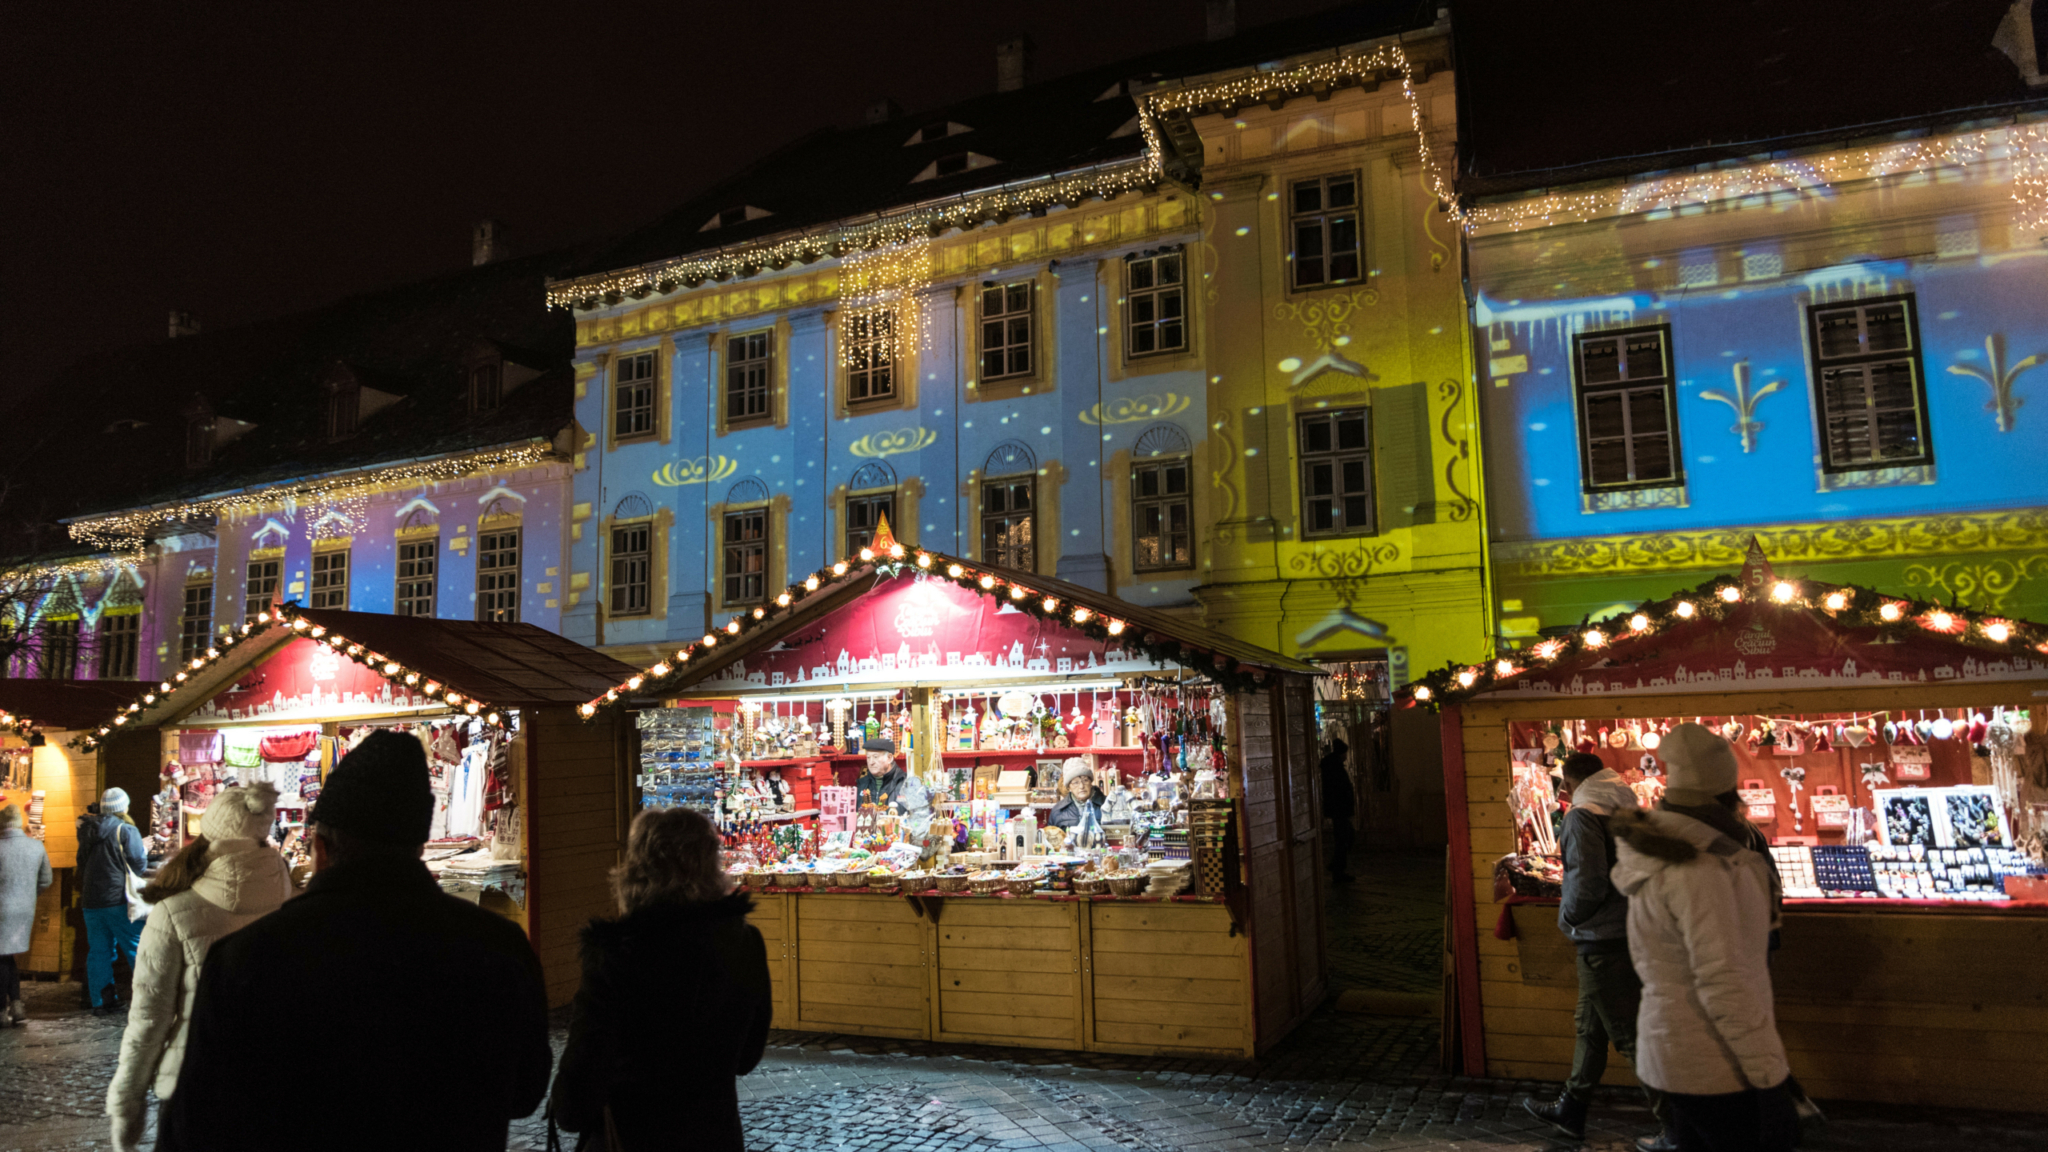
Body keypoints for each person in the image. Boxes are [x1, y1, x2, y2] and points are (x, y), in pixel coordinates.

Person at [156, 731, 551, 1152]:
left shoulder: (248, 959)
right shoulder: (497, 947)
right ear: (418, 846)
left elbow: (197, 1124)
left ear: (321, 849)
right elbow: (526, 1093)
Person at [1610, 723, 1797, 1152]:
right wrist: (1771, 1079)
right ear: (1726, 794)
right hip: (1715, 1065)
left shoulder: (1677, 857)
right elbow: (1725, 981)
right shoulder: (1705, 870)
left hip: (1677, 1053)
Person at [550, 807, 772, 1151]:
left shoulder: (616, 955)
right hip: (714, 1137)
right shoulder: (743, 943)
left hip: (632, 1138)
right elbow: (746, 1058)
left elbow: (573, 1101)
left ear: (638, 868)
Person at [106, 782, 292, 1152]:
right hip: (279, 1090)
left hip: (194, 1085)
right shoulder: (299, 907)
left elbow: (149, 1018)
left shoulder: (175, 913)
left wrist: (127, 1100)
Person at [1523, 753, 1672, 1150]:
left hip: (1600, 936)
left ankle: (1677, 1126)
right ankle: (1572, 1107)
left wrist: (1569, 916)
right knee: (1590, 1026)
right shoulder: (1627, 806)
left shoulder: (1583, 815)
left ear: (1571, 782)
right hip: (1630, 927)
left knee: (1626, 1033)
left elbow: (1585, 881)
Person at [77, 788, 148, 1015]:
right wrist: (144, 850)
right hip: (117, 899)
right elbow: (138, 864)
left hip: (91, 902)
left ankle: (102, 1002)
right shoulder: (126, 830)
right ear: (123, 807)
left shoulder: (87, 830)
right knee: (135, 949)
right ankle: (147, 1000)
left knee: (99, 952)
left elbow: (81, 864)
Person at [0, 802, 53, 1028]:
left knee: (2, 958)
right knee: (7, 956)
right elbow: (46, 880)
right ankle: (18, 1006)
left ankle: (2, 1010)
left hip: (2, 909)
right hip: (25, 909)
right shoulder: (36, 847)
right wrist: (28, 895)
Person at [855, 737, 931, 827]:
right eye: (868, 757)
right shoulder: (862, 784)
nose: (871, 762)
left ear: (889, 758)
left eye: (875, 757)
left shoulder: (906, 784)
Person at [1320, 738, 1356, 883]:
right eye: (1345, 753)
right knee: (1345, 838)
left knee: (1343, 838)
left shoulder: (1331, 766)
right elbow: (1340, 790)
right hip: (1340, 810)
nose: (1346, 756)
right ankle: (1337, 868)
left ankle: (1337, 867)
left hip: (1337, 810)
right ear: (1341, 753)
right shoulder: (1335, 768)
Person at [1046, 759, 1105, 832]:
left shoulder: (1106, 805)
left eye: (1085, 780)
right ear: (1069, 787)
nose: (1081, 786)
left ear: (1091, 782)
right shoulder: (1058, 811)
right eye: (1075, 782)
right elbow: (1051, 840)